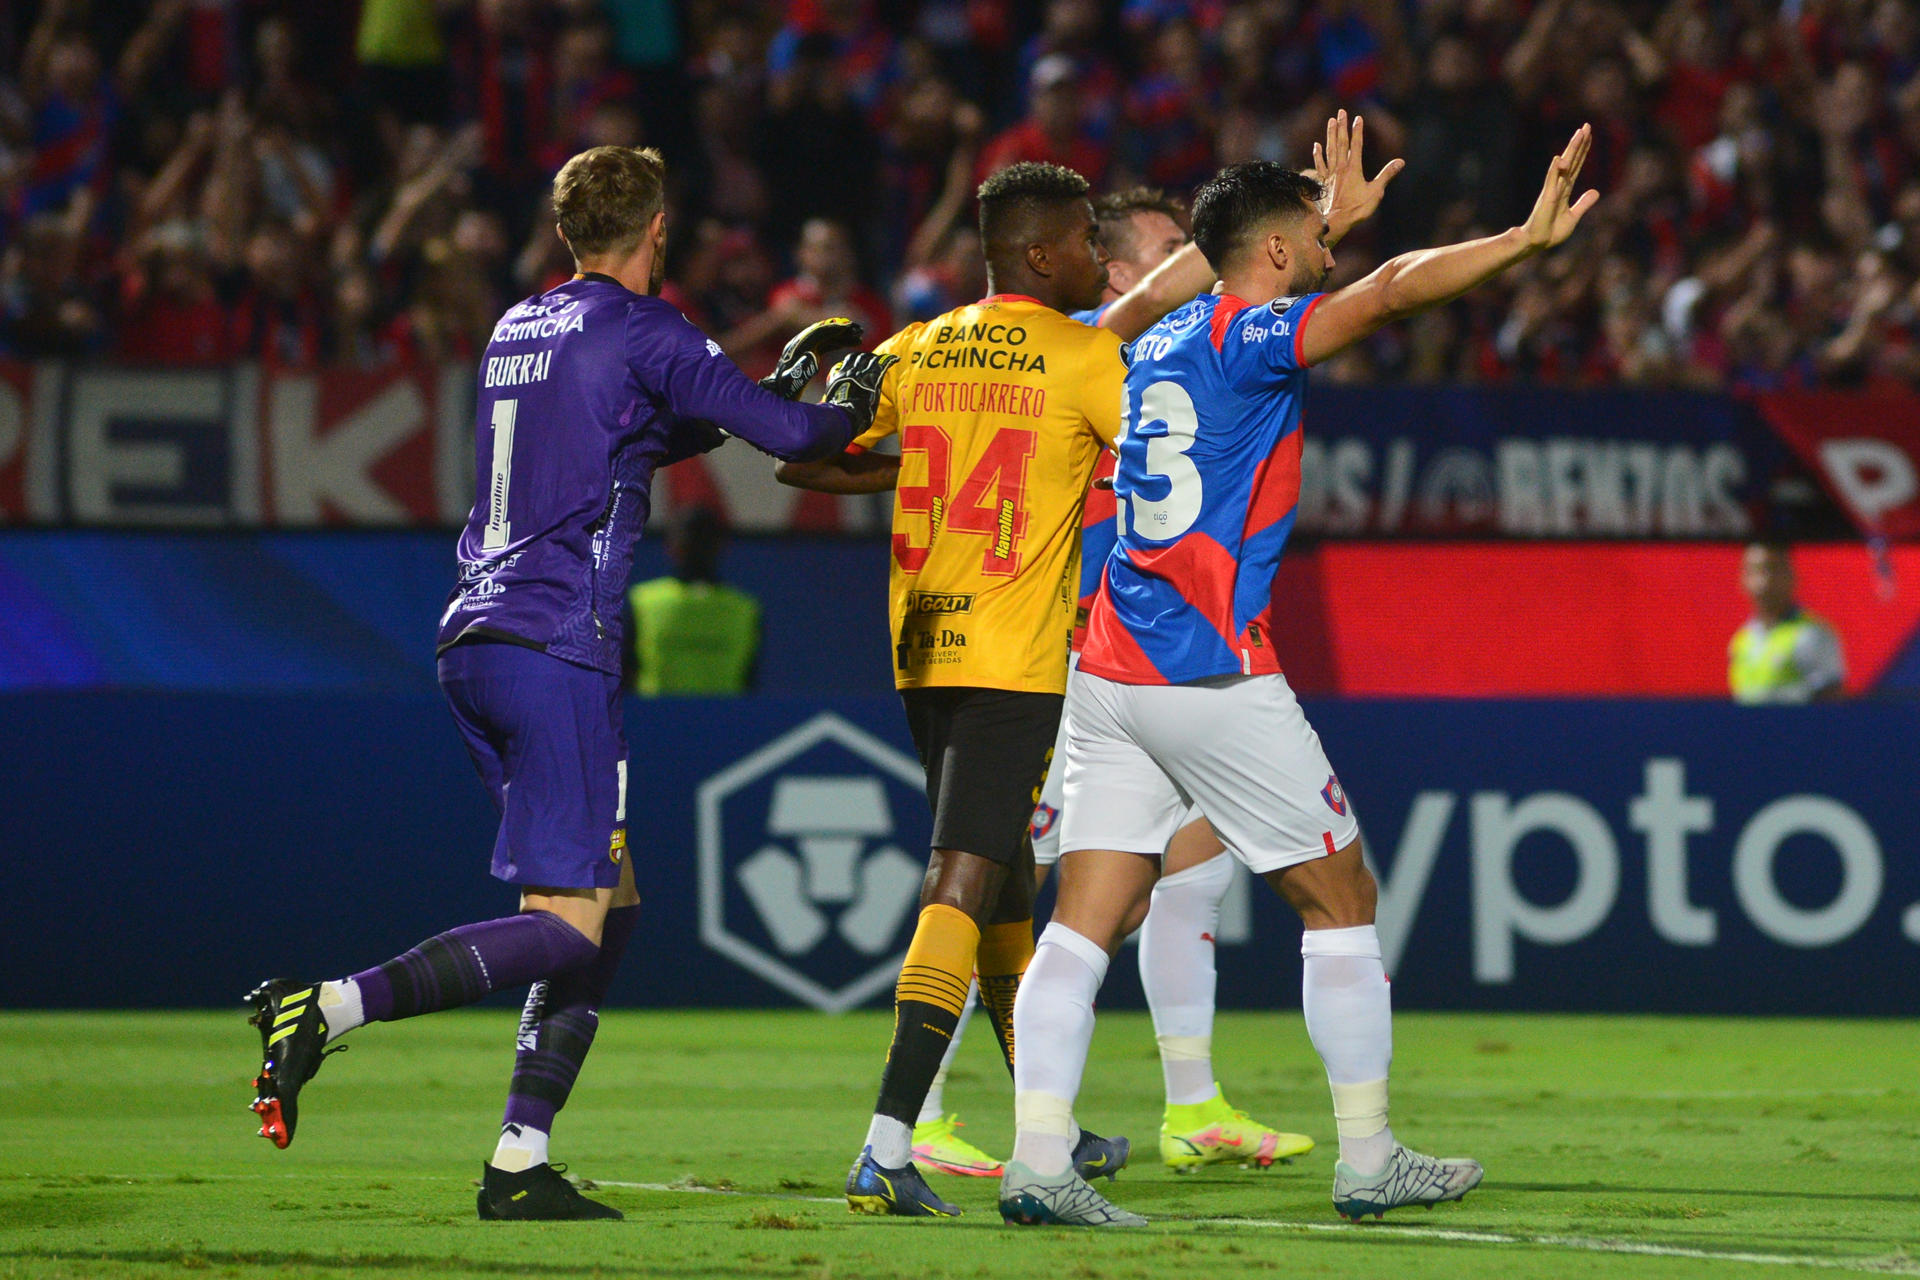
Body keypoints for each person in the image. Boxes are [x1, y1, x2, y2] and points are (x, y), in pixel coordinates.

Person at [242, 144, 890, 1221]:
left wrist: (752, 386)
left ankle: (518, 1156)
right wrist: (846, 401)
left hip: (475, 639)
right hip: (559, 643)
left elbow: (639, 432)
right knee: (571, 921)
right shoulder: (648, 326)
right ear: (660, 231)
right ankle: (327, 1005)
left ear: (564, 231)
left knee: (607, 907)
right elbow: (792, 436)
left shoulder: (517, 326)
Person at [1000, 127, 1601, 1227]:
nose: (1330, 247)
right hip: (1212, 671)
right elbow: (1387, 297)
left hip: (1109, 668)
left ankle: (1038, 1156)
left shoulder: (1155, 334)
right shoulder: (1247, 335)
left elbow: (1254, 269)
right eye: (1314, 237)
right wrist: (1521, 240)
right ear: (1274, 257)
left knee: (1082, 919)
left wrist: (1324, 219)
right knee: (1342, 897)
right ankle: (1368, 1152)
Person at [774, 161, 1129, 1219]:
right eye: (1080, 240)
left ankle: (1046, 1129)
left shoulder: (915, 343)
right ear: (1035, 252)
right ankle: (887, 1141)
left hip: (922, 646)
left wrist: (912, 459)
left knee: (1008, 882)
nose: (1098, 258)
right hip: (1012, 656)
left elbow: (803, 462)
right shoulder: (1087, 354)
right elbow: (1154, 465)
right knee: (964, 878)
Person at [624, 505, 761, 696]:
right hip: (724, 722)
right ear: (720, 546)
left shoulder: (643, 601)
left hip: (657, 722)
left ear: (673, 546)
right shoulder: (745, 608)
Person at [1729, 541, 1846, 703]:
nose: (1763, 582)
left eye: (1772, 569)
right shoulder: (1741, 640)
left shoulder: (1812, 634)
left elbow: (1830, 702)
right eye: (1753, 571)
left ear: (1791, 575)